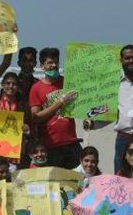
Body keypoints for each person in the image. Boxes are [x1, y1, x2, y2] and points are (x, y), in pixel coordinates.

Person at [29, 47, 81, 169]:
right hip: (51, 145)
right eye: (49, 63)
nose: (54, 65)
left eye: (56, 62)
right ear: (42, 66)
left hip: (72, 141)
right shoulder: (36, 88)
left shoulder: (67, 82)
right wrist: (60, 102)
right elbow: (36, 117)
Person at [86, 45, 133, 174]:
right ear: (121, 60)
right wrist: (93, 123)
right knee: (120, 178)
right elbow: (109, 112)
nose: (130, 61)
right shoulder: (114, 84)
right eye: (127, 58)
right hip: (124, 138)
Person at [0, 72, 31, 168]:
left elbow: (30, 127)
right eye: (8, 83)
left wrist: (26, 128)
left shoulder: (23, 106)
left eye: (14, 84)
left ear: (17, 87)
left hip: (17, 151)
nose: (11, 86)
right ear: (2, 85)